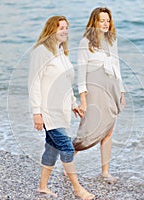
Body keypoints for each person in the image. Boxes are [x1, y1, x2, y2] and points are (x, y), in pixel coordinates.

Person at [28, 16, 95, 200]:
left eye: (66, 27)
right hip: (48, 111)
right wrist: (36, 113)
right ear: (51, 30)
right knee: (66, 147)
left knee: (51, 148)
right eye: (61, 28)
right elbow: (34, 84)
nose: (65, 31)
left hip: (62, 110)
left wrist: (74, 104)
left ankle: (42, 186)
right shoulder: (40, 52)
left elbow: (65, 84)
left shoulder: (61, 52)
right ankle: (77, 189)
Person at [72, 7, 126, 183]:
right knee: (87, 130)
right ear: (94, 22)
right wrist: (83, 99)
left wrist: (122, 91)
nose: (105, 24)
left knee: (108, 132)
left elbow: (117, 66)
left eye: (108, 20)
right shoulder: (85, 42)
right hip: (94, 89)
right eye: (102, 20)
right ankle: (68, 162)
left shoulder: (112, 40)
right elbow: (81, 72)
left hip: (112, 88)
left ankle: (105, 172)